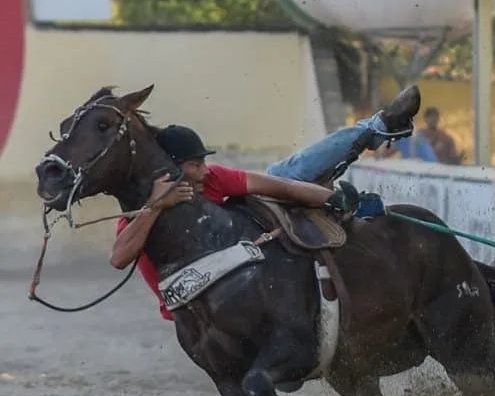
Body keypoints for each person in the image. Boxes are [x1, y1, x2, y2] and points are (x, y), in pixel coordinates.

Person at [113, 100, 419, 321]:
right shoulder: (143, 210)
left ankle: (375, 128)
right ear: (171, 169)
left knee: (284, 171)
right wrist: (156, 206)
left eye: (203, 163)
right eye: (195, 165)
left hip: (242, 279)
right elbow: (119, 258)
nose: (204, 172)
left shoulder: (214, 178)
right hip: (199, 307)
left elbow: (282, 186)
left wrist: (332, 198)